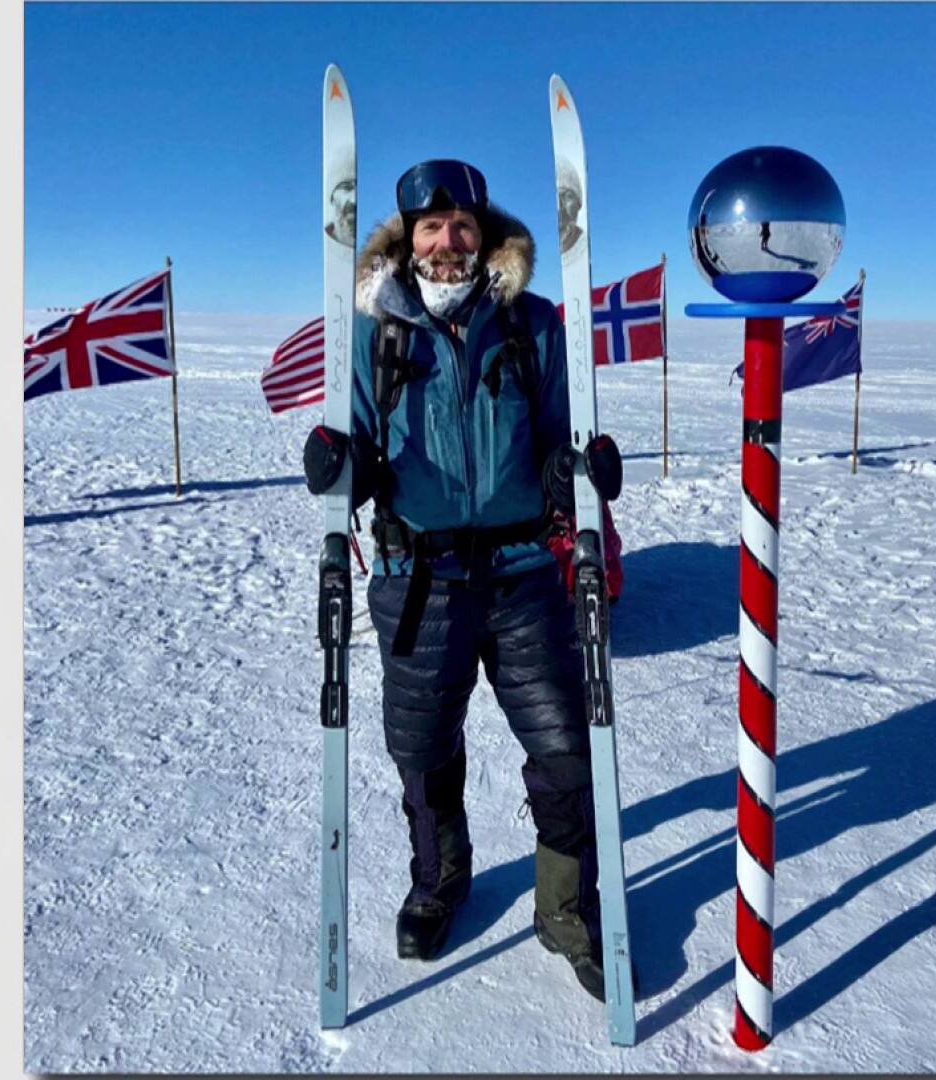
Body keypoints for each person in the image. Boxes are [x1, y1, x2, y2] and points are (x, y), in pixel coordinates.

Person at [301, 159, 625, 1000]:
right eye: (432, 228)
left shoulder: (536, 326)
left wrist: (576, 468)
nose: (449, 242)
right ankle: (440, 882)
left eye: (463, 227)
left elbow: (561, 431)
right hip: (419, 579)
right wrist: (340, 465)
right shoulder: (374, 336)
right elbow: (362, 452)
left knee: (563, 748)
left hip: (522, 576)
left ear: (486, 237)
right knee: (421, 753)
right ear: (408, 242)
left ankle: (564, 909)